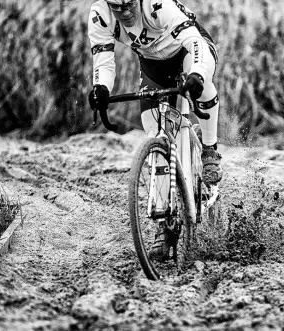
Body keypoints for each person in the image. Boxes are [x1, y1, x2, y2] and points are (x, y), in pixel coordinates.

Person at [87, 0, 222, 261]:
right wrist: (100, 88)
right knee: (155, 135)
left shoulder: (157, 5)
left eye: (129, 5)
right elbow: (103, 62)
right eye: (117, 7)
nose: (125, 13)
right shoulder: (100, 15)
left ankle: (210, 150)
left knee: (203, 87)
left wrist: (197, 74)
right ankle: (164, 226)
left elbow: (194, 43)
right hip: (154, 67)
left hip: (191, 51)